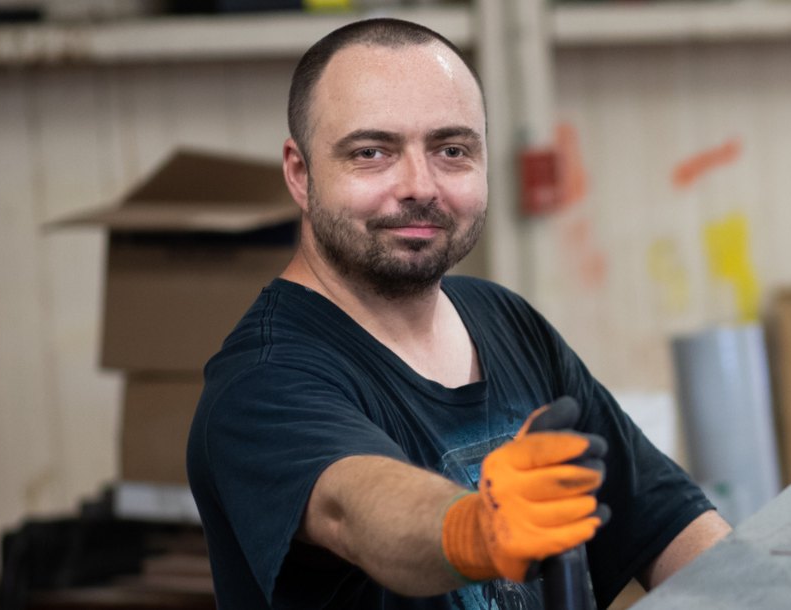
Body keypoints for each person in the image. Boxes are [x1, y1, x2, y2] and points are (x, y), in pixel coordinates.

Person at [185, 18, 729, 610]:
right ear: (300, 172)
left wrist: (766, 588)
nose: (420, 186)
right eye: (372, 152)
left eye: (452, 150)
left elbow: (667, 523)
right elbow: (353, 509)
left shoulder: (505, 321)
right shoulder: (262, 382)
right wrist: (480, 532)